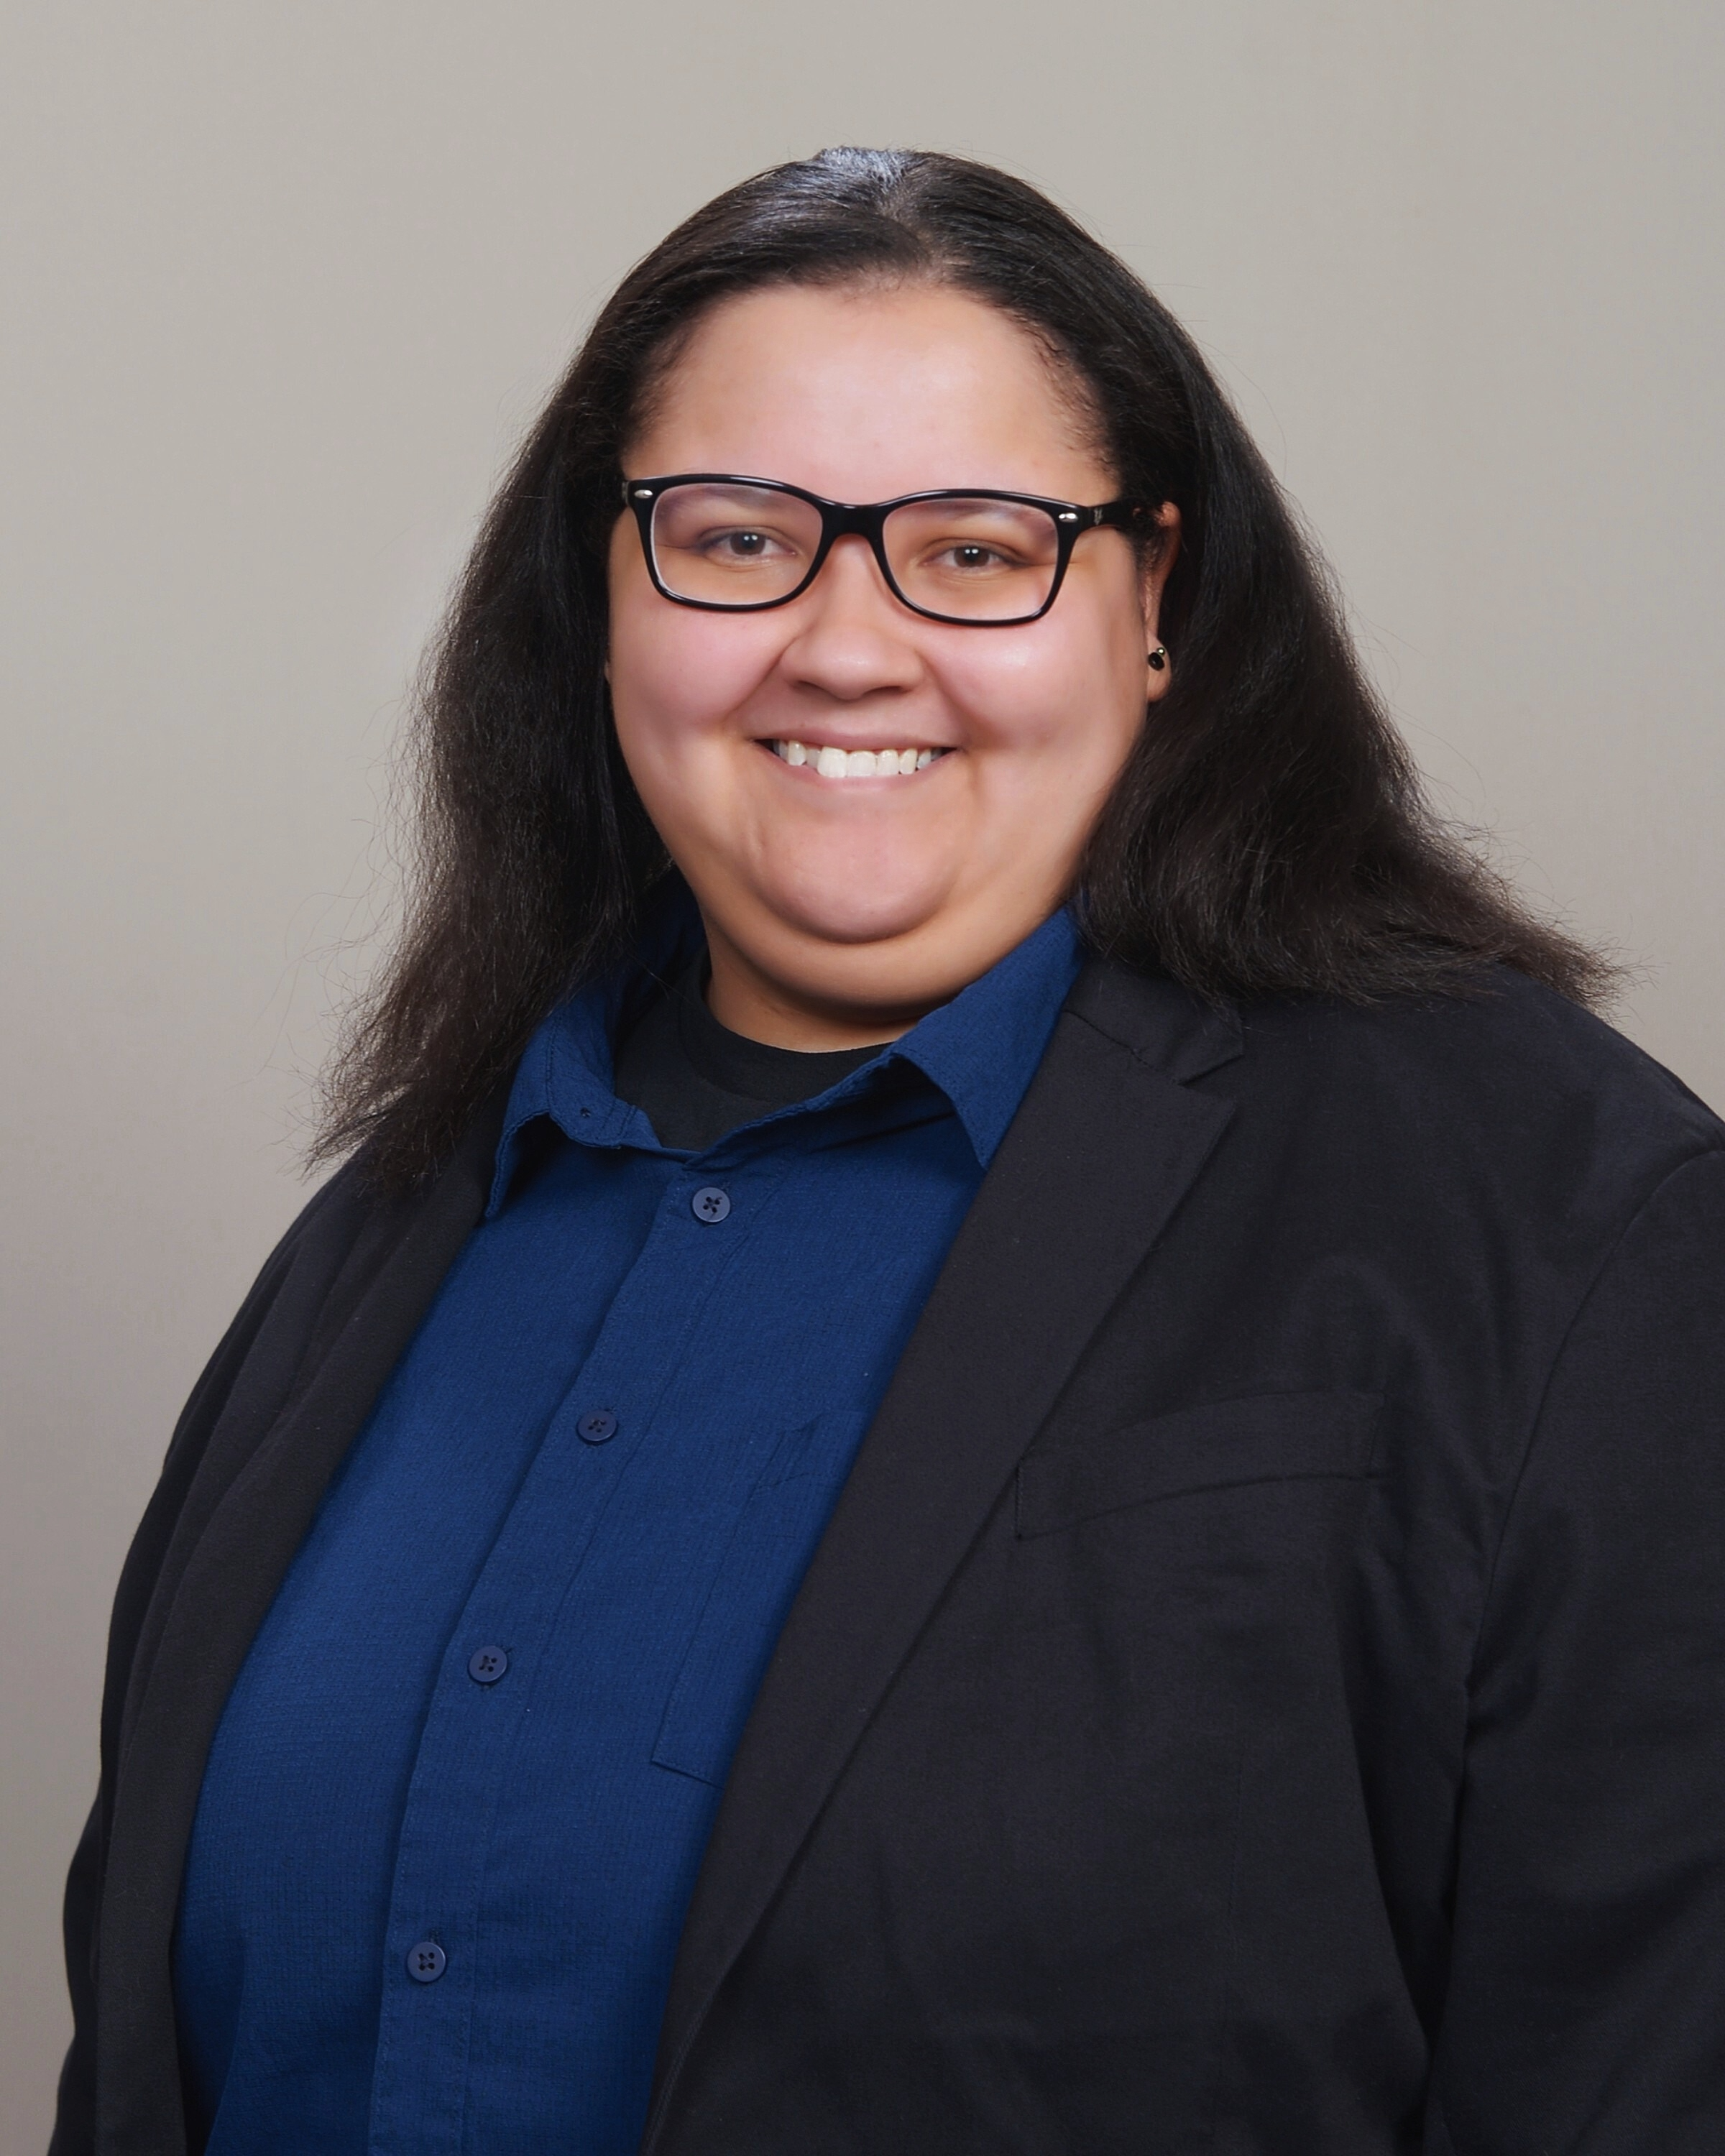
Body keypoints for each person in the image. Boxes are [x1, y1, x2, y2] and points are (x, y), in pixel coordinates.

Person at [51, 148, 1725, 2156]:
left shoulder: (1561, 1224)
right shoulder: (397, 1227)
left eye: (978, 547)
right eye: (739, 538)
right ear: (600, 597)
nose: (847, 647)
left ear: (1155, 601)